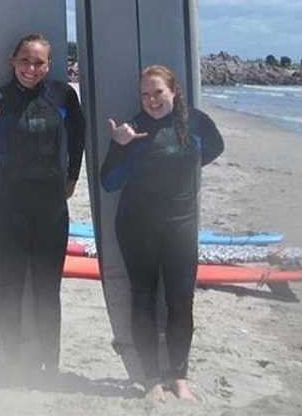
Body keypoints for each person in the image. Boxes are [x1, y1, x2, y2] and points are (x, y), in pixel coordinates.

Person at [0, 33, 85, 381]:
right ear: (12, 62)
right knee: (10, 287)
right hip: (7, 208)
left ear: (49, 65)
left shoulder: (63, 96)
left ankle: (50, 365)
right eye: (25, 61)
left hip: (51, 209)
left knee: (48, 289)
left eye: (39, 62)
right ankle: (11, 364)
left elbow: (79, 135)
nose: (31, 68)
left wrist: (73, 176)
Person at [100, 65, 224, 403]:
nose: (152, 100)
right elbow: (108, 181)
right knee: (142, 297)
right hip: (137, 225)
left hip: (180, 224)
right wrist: (119, 146)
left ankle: (179, 377)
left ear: (174, 92)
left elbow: (215, 148)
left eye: (158, 92)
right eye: (145, 94)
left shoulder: (196, 123)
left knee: (181, 301)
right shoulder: (132, 129)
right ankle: (152, 379)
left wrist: (178, 168)